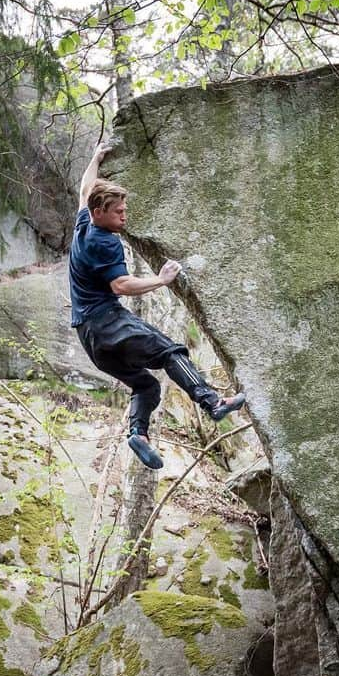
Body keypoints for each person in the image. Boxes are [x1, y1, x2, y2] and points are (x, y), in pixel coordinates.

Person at [68, 143, 245, 470]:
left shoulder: (83, 224)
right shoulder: (103, 241)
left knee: (145, 385)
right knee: (171, 352)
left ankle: (139, 434)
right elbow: (121, 285)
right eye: (118, 212)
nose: (124, 216)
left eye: (124, 209)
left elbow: (84, 189)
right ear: (99, 212)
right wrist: (160, 280)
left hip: (88, 336)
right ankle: (213, 402)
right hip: (106, 321)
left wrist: (95, 157)